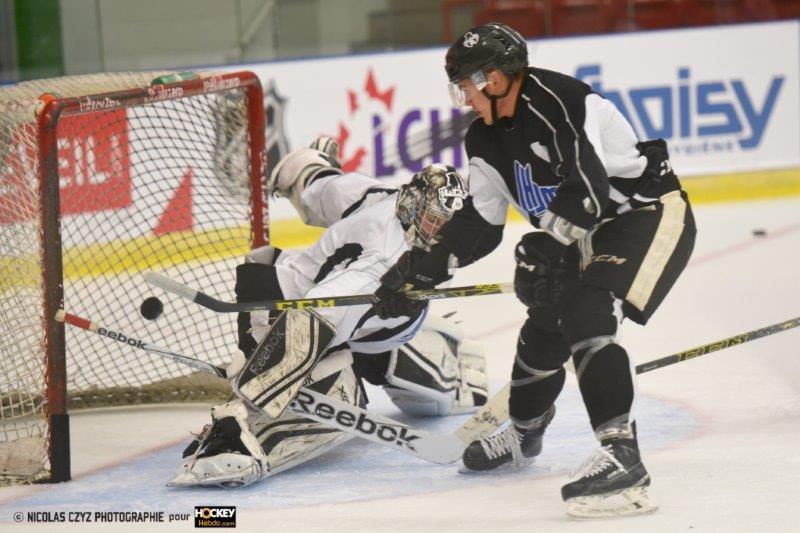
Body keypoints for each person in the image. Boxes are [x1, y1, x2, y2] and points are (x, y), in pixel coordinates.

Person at [373, 23, 696, 518]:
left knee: (588, 309)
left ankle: (622, 458)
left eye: (465, 86)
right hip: (580, 232)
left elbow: (586, 186)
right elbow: (480, 222)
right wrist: (417, 273)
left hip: (642, 218)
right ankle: (524, 435)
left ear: (495, 79)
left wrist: (545, 244)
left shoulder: (559, 100)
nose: (463, 99)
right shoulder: (483, 138)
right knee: (543, 327)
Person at [169, 143, 488, 488]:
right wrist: (258, 380)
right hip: (312, 306)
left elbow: (323, 185)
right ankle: (243, 438)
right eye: (433, 220)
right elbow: (314, 317)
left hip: (377, 325)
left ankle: (433, 364)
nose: (439, 232)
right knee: (330, 394)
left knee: (427, 397)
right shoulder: (379, 256)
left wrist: (306, 169)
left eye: (446, 223)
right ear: (412, 203)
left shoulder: (380, 196)